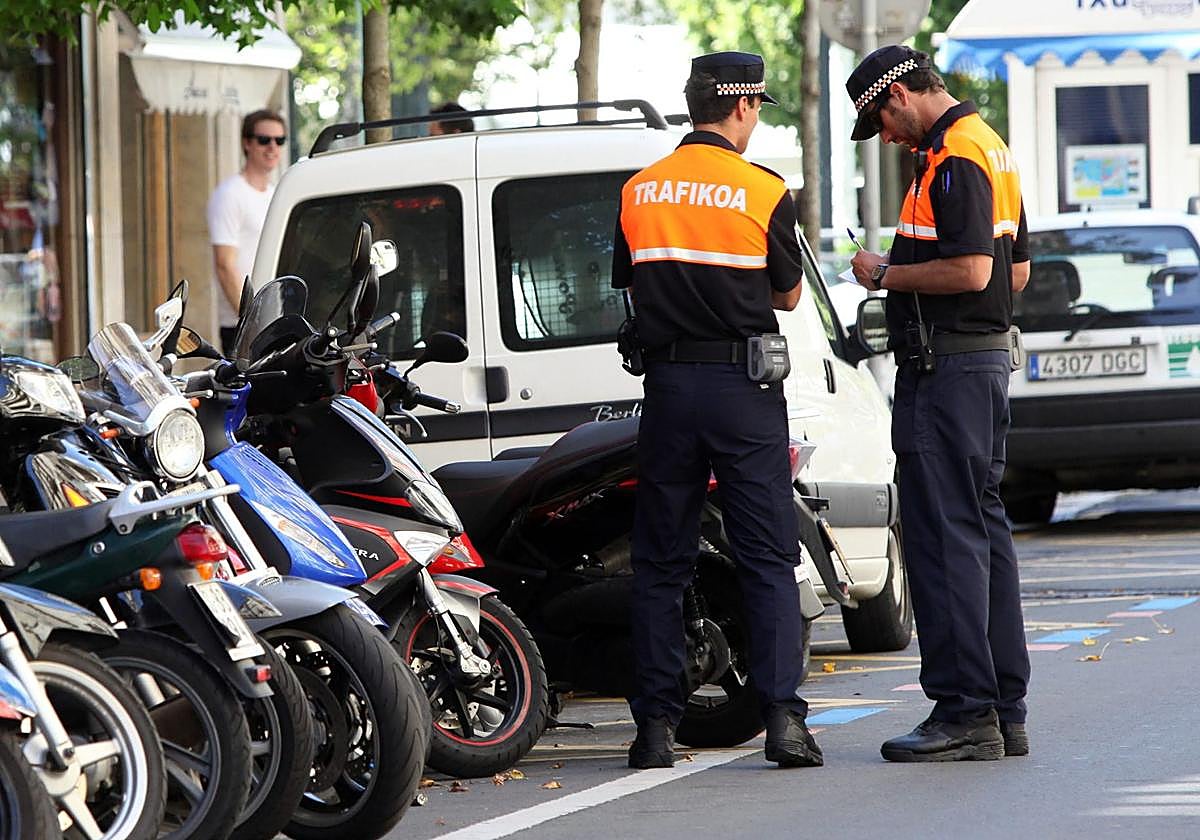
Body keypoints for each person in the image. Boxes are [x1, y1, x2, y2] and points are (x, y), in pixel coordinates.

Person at [611, 51, 821, 771]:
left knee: (661, 562)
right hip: (743, 391)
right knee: (766, 556)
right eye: (757, 107)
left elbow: (631, 283)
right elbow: (788, 296)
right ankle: (783, 722)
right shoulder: (763, 189)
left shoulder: (639, 190)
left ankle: (654, 732)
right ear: (742, 105)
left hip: (669, 390)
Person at [845, 45, 1033, 763]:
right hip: (981, 365)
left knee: (943, 535)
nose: (887, 139)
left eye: (881, 122)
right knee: (982, 530)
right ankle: (1004, 706)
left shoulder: (954, 157)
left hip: (946, 371)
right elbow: (1016, 272)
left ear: (898, 96)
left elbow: (976, 269)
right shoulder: (992, 147)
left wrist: (885, 274)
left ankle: (964, 710)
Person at [207, 108, 286, 355]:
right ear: (247, 143)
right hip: (241, 325)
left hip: (276, 321)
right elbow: (224, 265)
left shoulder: (276, 194)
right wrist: (251, 322)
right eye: (264, 140)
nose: (272, 147)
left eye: (279, 140)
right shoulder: (229, 194)